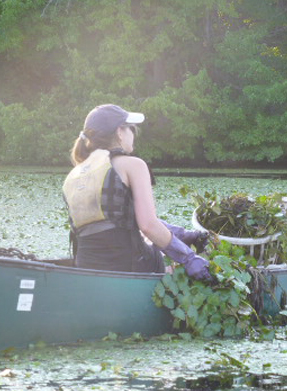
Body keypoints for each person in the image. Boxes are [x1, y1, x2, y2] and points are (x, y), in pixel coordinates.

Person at [63, 104, 210, 279]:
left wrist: (183, 235)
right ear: (119, 132)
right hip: (127, 265)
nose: (133, 134)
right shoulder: (133, 165)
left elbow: (117, 220)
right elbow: (148, 226)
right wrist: (189, 257)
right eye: (131, 129)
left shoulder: (74, 175)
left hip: (85, 266)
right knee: (164, 254)